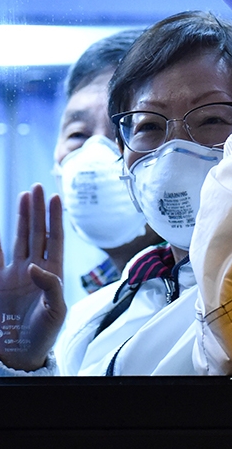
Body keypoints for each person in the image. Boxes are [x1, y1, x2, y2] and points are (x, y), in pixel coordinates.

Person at [0, 11, 232, 376]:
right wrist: (13, 359)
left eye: (211, 119)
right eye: (148, 125)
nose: (173, 150)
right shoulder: (94, 315)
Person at [52, 30, 162, 293]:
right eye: (78, 134)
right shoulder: (98, 296)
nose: (95, 153)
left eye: (131, 128)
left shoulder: (209, 292)